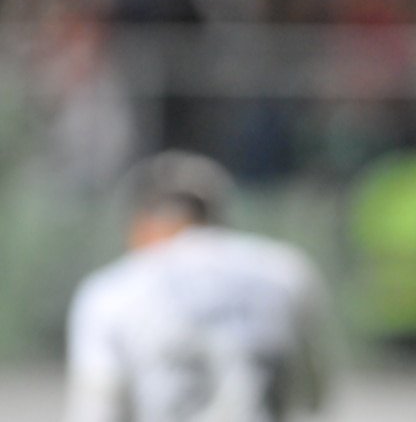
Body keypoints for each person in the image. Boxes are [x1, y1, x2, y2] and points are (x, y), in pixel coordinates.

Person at [65, 150, 333, 422]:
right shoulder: (286, 271)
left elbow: (97, 411)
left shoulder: (112, 291)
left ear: (141, 223)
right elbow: (315, 398)